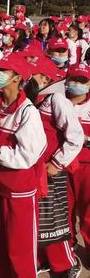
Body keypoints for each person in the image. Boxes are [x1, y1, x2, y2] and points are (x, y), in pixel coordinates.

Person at [0, 53, 47, 278]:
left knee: (20, 251)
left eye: (3, 71)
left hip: (19, 193)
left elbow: (28, 156)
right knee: (0, 245)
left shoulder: (28, 112)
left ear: (16, 78)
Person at [24, 57, 83, 277]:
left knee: (55, 219)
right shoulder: (33, 97)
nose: (29, 79)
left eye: (34, 76)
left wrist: (56, 163)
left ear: (46, 78)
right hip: (34, 168)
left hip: (51, 170)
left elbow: (75, 136)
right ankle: (44, 259)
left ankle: (67, 263)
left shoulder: (57, 98)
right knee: (39, 219)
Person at [66, 63, 90, 262]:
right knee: (65, 210)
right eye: (74, 79)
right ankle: (68, 246)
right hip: (63, 165)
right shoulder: (57, 102)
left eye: (82, 81)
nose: (77, 84)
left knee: (89, 212)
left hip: (87, 166)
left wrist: (85, 140)